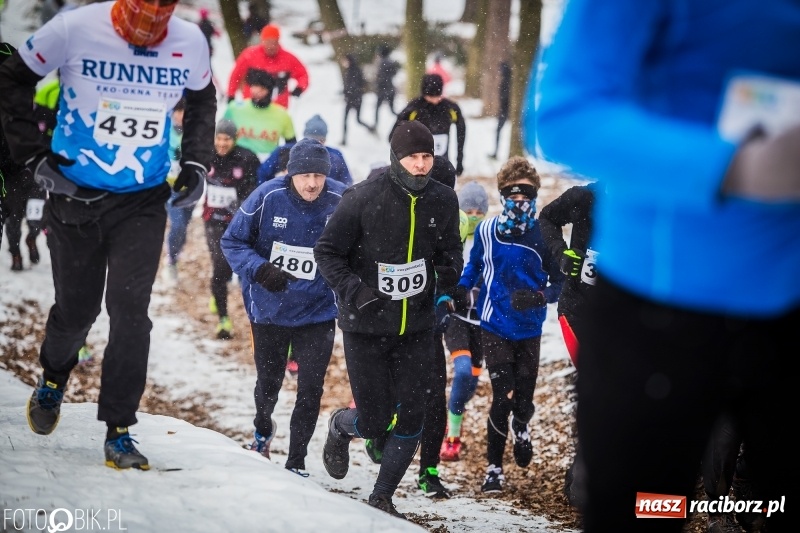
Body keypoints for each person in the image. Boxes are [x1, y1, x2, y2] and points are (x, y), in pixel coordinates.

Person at [532, 0, 800, 530]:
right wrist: (731, 166)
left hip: (788, 301)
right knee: (643, 511)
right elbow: (563, 114)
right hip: (657, 307)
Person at [0, 0, 216, 470]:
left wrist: (197, 161)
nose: (147, 32)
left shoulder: (188, 40)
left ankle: (119, 430)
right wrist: (33, 157)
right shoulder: (74, 28)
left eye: (158, 23)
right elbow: (13, 78)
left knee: (130, 311)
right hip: (74, 192)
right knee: (77, 311)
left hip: (141, 198)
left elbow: (202, 99)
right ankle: (53, 378)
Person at [313, 121, 463, 518]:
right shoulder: (362, 197)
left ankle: (382, 496)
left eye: (426, 156)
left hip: (416, 326)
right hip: (366, 325)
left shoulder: (444, 200)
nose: (420, 165)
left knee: (414, 411)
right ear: (396, 158)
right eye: (412, 157)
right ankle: (342, 427)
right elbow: (327, 253)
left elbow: (451, 253)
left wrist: (442, 282)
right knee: (376, 420)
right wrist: (358, 293)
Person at [221, 138, 346, 476]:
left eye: (318, 176)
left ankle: (296, 460)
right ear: (290, 173)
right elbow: (231, 241)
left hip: (318, 311)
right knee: (269, 382)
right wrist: (260, 269)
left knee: (311, 386)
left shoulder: (340, 198)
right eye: (304, 175)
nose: (311, 184)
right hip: (269, 309)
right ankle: (262, 430)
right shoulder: (266, 196)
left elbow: (361, 244)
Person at [452, 156, 564, 493]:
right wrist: (460, 286)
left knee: (523, 399)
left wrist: (540, 296)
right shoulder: (486, 231)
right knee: (503, 395)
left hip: (529, 329)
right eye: (512, 198)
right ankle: (493, 470)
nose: (519, 204)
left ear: (534, 198)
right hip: (494, 324)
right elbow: (474, 267)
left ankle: (522, 423)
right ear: (502, 197)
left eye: (525, 198)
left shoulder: (544, 235)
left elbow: (560, 283)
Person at [537, 180, 599, 508]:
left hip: (617, 319)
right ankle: (581, 478)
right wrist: (561, 253)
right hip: (576, 311)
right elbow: (545, 217)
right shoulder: (584, 197)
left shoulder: (646, 202)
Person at [438, 180, 489, 462]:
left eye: (479, 211)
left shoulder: (491, 240)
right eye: (468, 209)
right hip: (458, 318)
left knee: (469, 384)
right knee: (462, 370)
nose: (473, 216)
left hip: (484, 324)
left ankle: (455, 418)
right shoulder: (454, 238)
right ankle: (451, 436)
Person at [203, 119, 260, 340]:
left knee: (223, 266)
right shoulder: (206, 154)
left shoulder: (246, 158)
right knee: (219, 263)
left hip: (235, 223)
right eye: (218, 138)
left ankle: (222, 313)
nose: (222, 143)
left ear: (234, 139)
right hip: (211, 220)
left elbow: (253, 188)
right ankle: (223, 315)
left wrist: (241, 203)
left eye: (227, 138)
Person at [390, 74, 466, 176]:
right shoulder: (415, 108)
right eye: (431, 96)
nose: (435, 100)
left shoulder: (450, 108)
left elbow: (461, 131)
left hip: (442, 163)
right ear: (424, 94)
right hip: (417, 164)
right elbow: (394, 135)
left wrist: (459, 160)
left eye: (437, 96)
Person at [226, 24, 309, 109]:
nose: (271, 46)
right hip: (252, 105)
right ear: (262, 41)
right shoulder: (250, 55)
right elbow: (236, 75)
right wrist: (231, 94)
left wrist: (300, 88)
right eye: (268, 42)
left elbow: (302, 74)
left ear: (278, 41)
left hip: (278, 107)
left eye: (274, 42)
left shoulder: (288, 58)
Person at [257, 114, 352, 187]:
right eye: (311, 139)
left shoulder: (335, 156)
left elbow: (346, 185)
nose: (314, 144)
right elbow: (262, 173)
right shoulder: (285, 151)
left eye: (320, 140)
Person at [223, 68, 295, 161]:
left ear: (270, 90)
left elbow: (291, 146)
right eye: (254, 86)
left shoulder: (282, 114)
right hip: (237, 162)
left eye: (262, 88)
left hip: (267, 164)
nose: (257, 91)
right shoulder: (235, 108)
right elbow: (220, 136)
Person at [164, 98, 193, 280]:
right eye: (178, 111)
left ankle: (177, 250)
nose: (181, 116)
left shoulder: (196, 132)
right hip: (170, 187)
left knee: (184, 225)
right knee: (178, 224)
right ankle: (171, 260)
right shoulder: (164, 130)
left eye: (185, 112)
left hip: (191, 187)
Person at [341, 54, 374, 145]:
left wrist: (347, 92)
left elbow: (353, 86)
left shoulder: (352, 71)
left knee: (351, 119)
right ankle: (344, 139)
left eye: (345, 60)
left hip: (353, 98)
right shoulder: (355, 70)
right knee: (356, 119)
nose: (343, 63)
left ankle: (344, 139)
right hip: (356, 98)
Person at [373, 45, 400, 129]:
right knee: (392, 110)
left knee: (377, 108)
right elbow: (394, 73)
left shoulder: (381, 62)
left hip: (382, 89)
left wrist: (377, 84)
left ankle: (375, 125)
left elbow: (379, 77)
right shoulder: (391, 61)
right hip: (390, 88)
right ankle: (403, 120)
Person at [489, 61, 511, 160]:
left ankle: (496, 152)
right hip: (504, 110)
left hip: (505, 111)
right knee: (498, 131)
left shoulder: (507, 82)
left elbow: (505, 98)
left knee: (499, 131)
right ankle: (496, 152)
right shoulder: (507, 80)